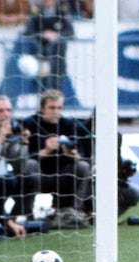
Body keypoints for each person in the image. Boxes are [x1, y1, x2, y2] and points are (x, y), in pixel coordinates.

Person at [23, 89, 92, 228]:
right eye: (52, 108)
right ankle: (26, 213)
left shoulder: (69, 124)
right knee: (30, 164)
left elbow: (81, 156)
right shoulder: (30, 123)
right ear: (42, 108)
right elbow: (24, 157)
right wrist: (46, 150)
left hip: (62, 175)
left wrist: (70, 153)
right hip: (39, 176)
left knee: (83, 166)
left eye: (59, 108)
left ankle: (73, 212)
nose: (56, 112)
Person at [0, 95, 41, 223]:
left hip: (9, 174)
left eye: (8, 110)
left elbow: (20, 165)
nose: (6, 114)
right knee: (7, 179)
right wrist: (0, 139)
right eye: (1, 111)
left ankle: (19, 216)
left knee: (31, 171)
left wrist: (23, 144)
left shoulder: (15, 130)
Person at [22, 0, 74, 91]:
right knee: (43, 84)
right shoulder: (35, 12)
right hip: (41, 55)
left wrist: (56, 36)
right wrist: (42, 35)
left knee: (57, 84)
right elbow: (28, 32)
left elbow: (70, 32)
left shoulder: (61, 11)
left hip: (58, 58)